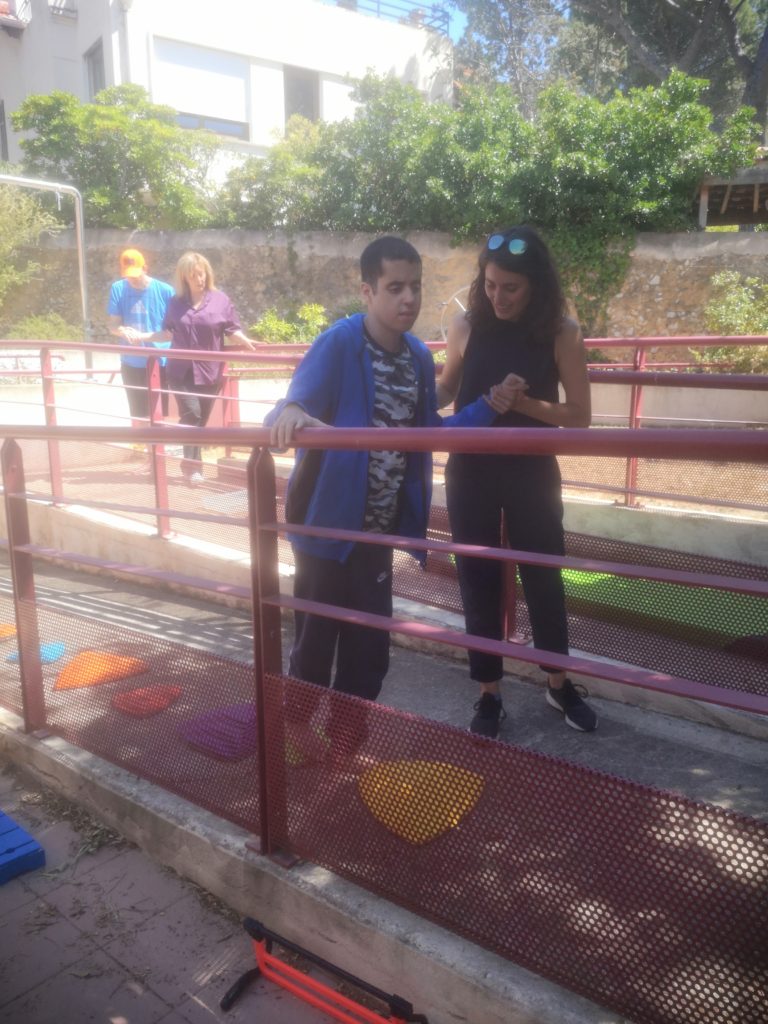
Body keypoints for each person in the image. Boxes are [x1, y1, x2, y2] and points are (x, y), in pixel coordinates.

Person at [265, 235, 521, 752]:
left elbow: (430, 432)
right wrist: (289, 410)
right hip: (324, 529)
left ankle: (345, 737)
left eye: (416, 287)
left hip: (378, 535)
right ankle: (295, 731)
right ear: (368, 291)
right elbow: (292, 405)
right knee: (315, 640)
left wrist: (489, 406)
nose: (409, 298)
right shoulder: (341, 343)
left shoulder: (418, 358)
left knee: (368, 648)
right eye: (395, 287)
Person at [437, 225, 598, 738]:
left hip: (532, 472)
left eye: (511, 288)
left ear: (535, 285)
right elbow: (445, 387)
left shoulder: (562, 332)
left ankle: (558, 683)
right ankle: (489, 692)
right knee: (476, 578)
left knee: (544, 576)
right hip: (470, 471)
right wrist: (400, 395)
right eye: (489, 285)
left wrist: (522, 403)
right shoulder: (465, 325)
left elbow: (579, 417)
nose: (498, 297)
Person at [160, 252, 257, 486]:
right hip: (180, 371)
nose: (199, 279)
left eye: (201, 274)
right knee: (191, 415)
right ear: (184, 278)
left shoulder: (220, 300)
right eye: (193, 276)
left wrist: (246, 341)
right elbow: (167, 331)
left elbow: (232, 329)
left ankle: (192, 465)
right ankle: (192, 468)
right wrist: (142, 337)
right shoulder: (175, 302)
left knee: (200, 421)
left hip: (209, 371)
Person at [107, 248, 175, 425]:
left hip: (159, 362)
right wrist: (122, 331)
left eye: (136, 274)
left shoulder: (166, 291)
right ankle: (142, 441)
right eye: (129, 275)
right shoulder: (118, 289)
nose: (133, 279)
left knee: (160, 415)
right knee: (138, 415)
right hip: (131, 362)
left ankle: (158, 442)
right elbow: (113, 324)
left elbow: (171, 333)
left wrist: (141, 336)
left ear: (145, 268)